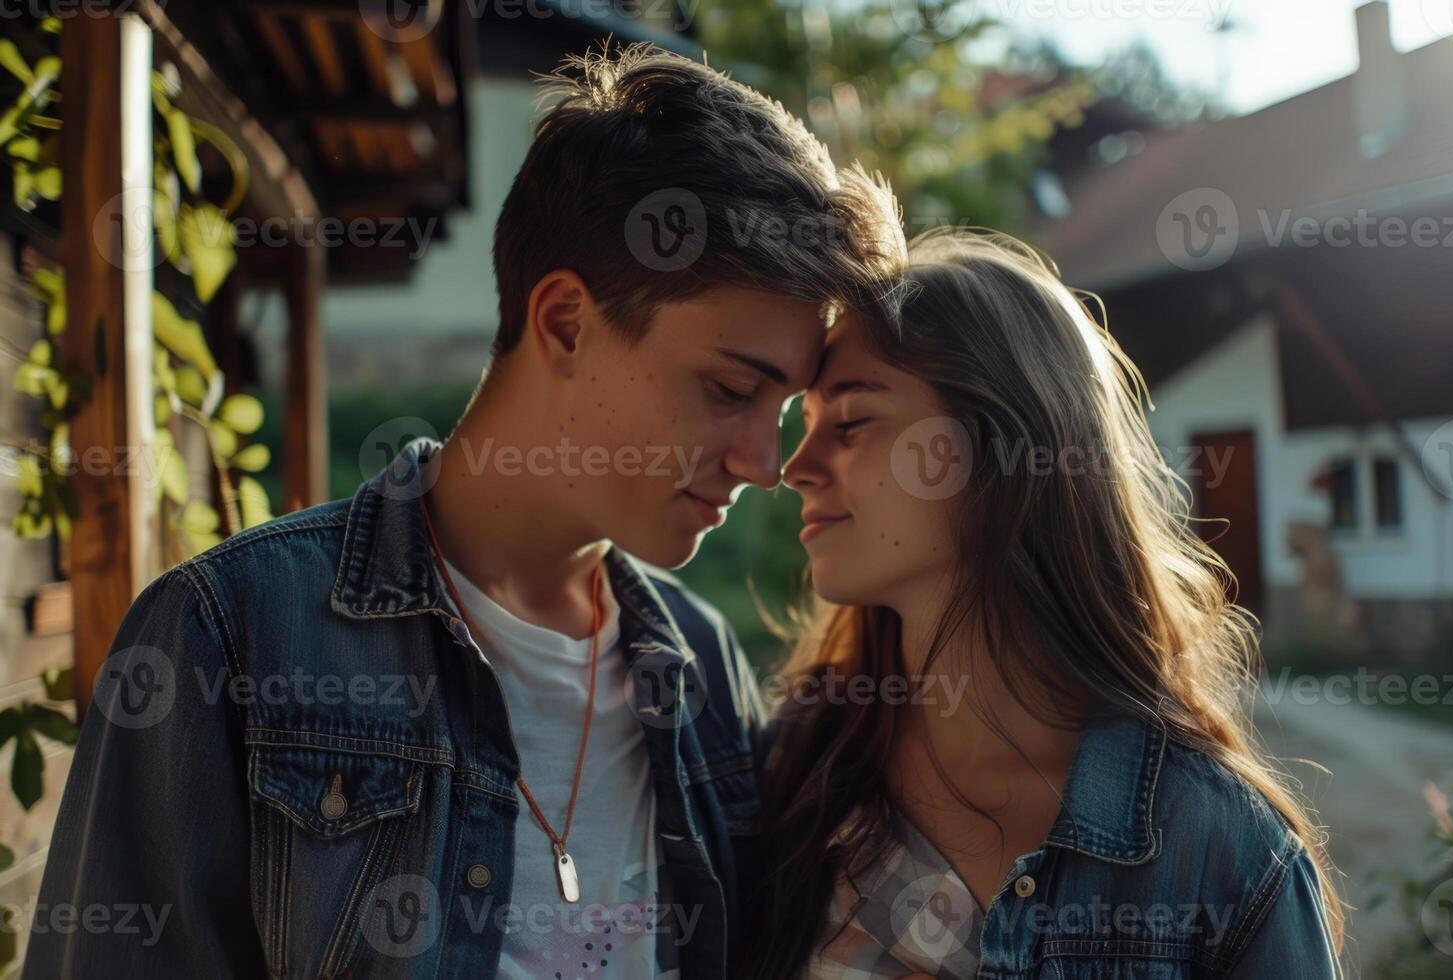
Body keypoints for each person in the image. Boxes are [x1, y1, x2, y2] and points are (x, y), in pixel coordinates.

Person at [24, 43, 902, 979]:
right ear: (565, 322)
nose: (766, 463)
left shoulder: (704, 673)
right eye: (732, 389)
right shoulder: (226, 637)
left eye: (781, 412)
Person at [750, 229, 1346, 979]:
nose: (793, 468)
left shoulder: (1222, 852)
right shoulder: (785, 780)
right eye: (803, 429)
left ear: (1000, 445)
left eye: (852, 422)